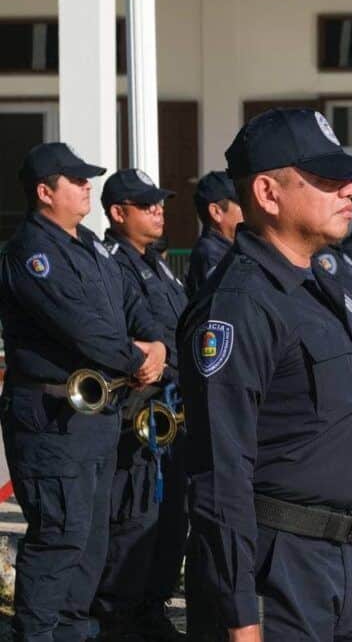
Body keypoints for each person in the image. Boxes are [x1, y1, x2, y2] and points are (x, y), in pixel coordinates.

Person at [178, 108, 352, 641]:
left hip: (337, 564)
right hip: (277, 574)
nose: (349, 190)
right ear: (268, 193)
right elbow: (219, 475)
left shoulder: (323, 291)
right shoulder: (240, 305)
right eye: (324, 179)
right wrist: (240, 613)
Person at [0, 142, 167, 642]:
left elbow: (125, 306)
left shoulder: (88, 244)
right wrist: (137, 357)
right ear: (44, 191)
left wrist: (156, 344)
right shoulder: (32, 252)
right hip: (53, 414)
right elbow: (81, 326)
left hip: (96, 413)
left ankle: (74, 631)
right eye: (75, 180)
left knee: (91, 539)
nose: (86, 186)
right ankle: (39, 634)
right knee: (60, 535)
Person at [92, 169, 188, 641]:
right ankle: (119, 619)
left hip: (171, 408)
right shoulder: (111, 262)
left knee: (170, 520)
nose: (158, 210)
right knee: (133, 517)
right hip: (137, 411)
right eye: (146, 204)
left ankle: (152, 608)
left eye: (160, 202)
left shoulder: (156, 262)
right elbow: (124, 335)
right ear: (118, 212)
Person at [185, 171, 243, 297]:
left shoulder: (229, 249)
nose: (248, 208)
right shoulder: (211, 255)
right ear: (216, 212)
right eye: (241, 202)